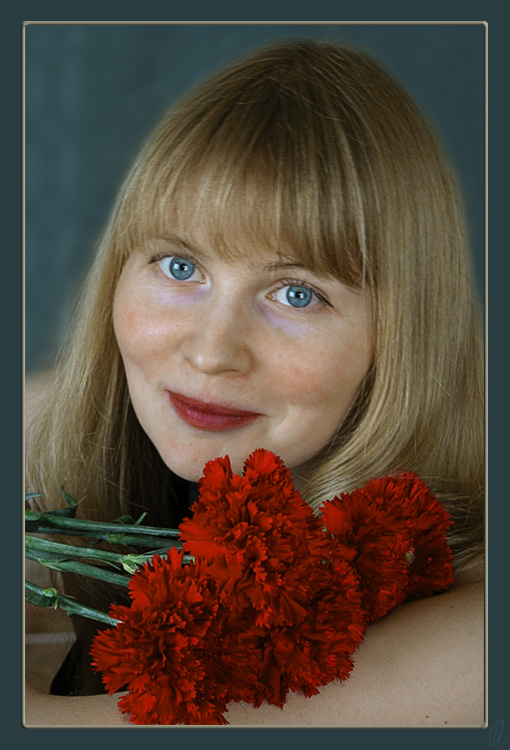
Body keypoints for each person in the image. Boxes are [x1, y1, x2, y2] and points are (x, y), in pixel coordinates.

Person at [24, 39, 484, 726]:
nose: (212, 354)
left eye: (297, 295)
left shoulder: (477, 641)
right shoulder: (42, 426)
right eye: (180, 267)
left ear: (402, 336)